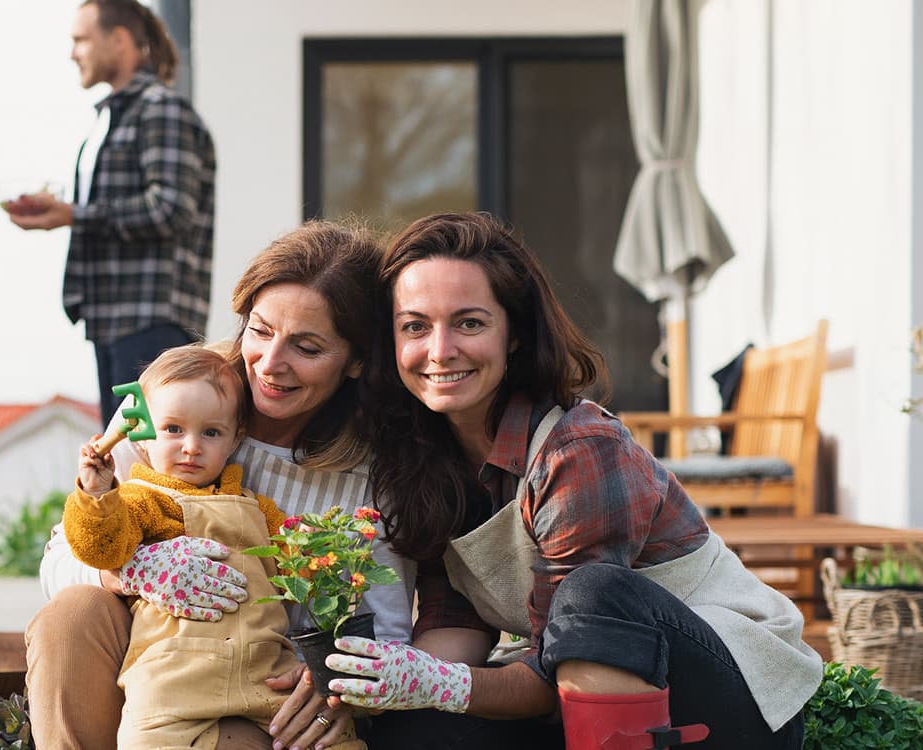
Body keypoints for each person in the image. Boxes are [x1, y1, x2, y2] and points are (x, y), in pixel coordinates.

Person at [322, 212, 820, 748]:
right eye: (415, 326)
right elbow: (454, 616)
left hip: (729, 691)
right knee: (413, 728)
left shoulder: (578, 450)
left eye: (469, 323)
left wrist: (444, 684)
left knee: (592, 591)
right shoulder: (428, 456)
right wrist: (395, 683)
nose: (440, 350)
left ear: (513, 335)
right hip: (580, 693)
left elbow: (577, 644)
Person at [29, 222, 411, 750]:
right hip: (154, 677)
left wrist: (332, 689)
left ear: (357, 361)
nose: (271, 364)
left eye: (307, 347)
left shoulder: (372, 472)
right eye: (259, 330)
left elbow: (386, 632)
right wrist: (132, 571)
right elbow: (57, 564)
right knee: (71, 614)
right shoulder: (170, 399)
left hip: (268, 692)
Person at [61, 345, 369, 750]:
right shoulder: (142, 499)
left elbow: (306, 570)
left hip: (266, 670)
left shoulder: (258, 508)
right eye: (173, 429)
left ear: (234, 438)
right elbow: (101, 549)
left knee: (337, 741)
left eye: (210, 432)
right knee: (147, 741)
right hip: (175, 673)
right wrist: (97, 495)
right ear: (143, 437)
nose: (191, 446)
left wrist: (328, 558)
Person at [4, 0, 216, 428]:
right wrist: (69, 212)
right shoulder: (119, 118)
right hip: (118, 321)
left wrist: (74, 214)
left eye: (81, 39)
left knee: (148, 462)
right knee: (128, 465)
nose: (72, 52)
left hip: (152, 322)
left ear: (119, 41)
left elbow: (170, 209)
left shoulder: (160, 110)